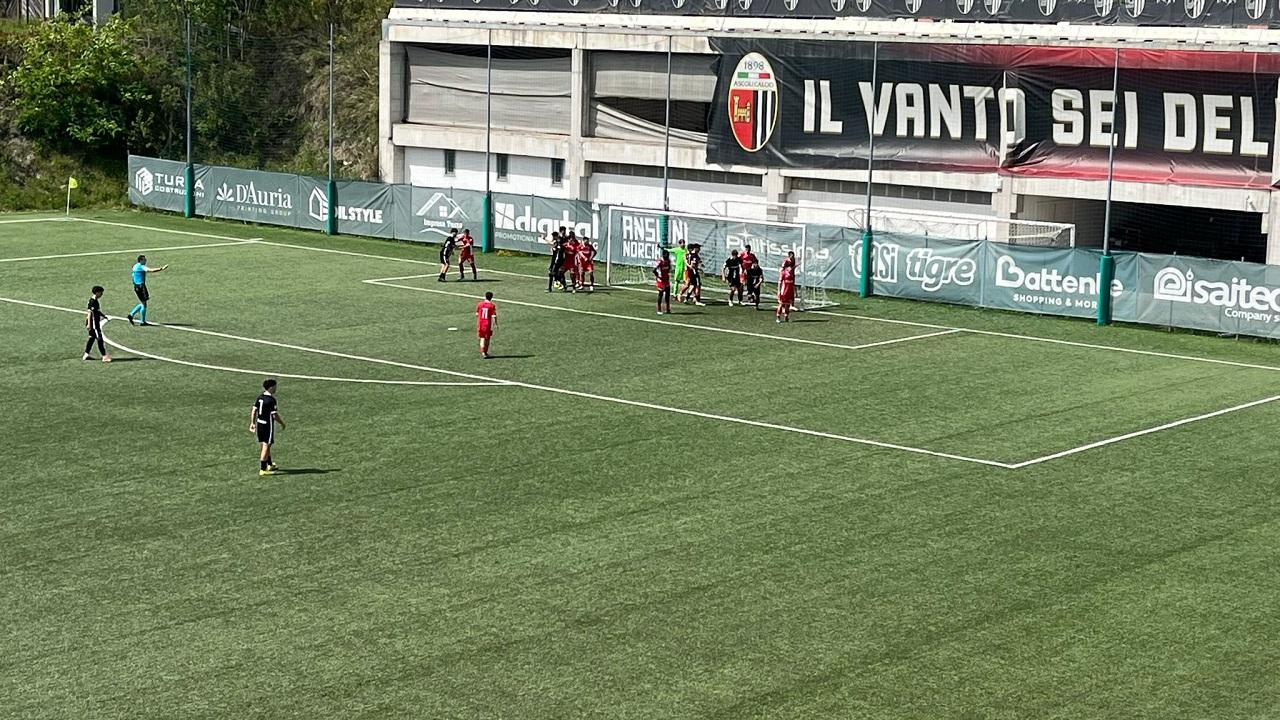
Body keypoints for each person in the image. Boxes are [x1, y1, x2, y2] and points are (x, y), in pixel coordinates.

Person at [250, 378, 286, 476]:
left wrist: (252, 423)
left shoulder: (260, 397)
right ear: (271, 387)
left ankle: (269, 464)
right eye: (275, 387)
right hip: (267, 425)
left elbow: (254, 410)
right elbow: (274, 415)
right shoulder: (271, 400)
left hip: (259, 423)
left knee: (264, 444)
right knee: (266, 445)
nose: (276, 388)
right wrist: (282, 423)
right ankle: (263, 469)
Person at [126, 254, 167, 326]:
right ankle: (142, 321)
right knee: (144, 304)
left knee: (142, 303)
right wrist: (161, 268)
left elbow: (133, 276)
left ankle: (131, 315)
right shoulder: (141, 267)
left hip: (136, 286)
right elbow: (151, 270)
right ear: (141, 260)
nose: (146, 260)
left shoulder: (135, 266)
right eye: (144, 259)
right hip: (141, 287)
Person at [83, 285, 111, 363]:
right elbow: (90, 313)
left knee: (92, 338)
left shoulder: (95, 300)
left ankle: (86, 354)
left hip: (93, 322)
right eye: (101, 293)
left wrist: (104, 316)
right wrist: (89, 324)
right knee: (99, 339)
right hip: (93, 323)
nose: (102, 294)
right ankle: (104, 356)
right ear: (97, 292)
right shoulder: (92, 301)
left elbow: (97, 311)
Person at [776, 251, 797, 323]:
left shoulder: (792, 274)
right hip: (784, 291)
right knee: (781, 304)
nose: (791, 268)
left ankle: (786, 317)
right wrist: (779, 291)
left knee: (788, 305)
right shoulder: (783, 273)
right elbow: (780, 282)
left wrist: (795, 291)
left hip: (790, 291)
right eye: (790, 267)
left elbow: (793, 283)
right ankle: (778, 317)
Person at [476, 291, 498, 359]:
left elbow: (477, 314)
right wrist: (496, 324)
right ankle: (485, 352)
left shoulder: (480, 304)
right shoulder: (492, 305)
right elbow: (494, 316)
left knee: (482, 338)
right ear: (491, 297)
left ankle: (482, 352)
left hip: (480, 323)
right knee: (487, 339)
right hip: (488, 324)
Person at [654, 249, 673, 315]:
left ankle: (668, 309)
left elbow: (670, 268)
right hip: (661, 280)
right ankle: (659, 309)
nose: (667, 257)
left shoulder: (668, 261)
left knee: (667, 294)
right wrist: (658, 276)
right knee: (661, 294)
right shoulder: (660, 261)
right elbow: (654, 270)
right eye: (666, 256)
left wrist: (668, 272)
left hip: (666, 279)